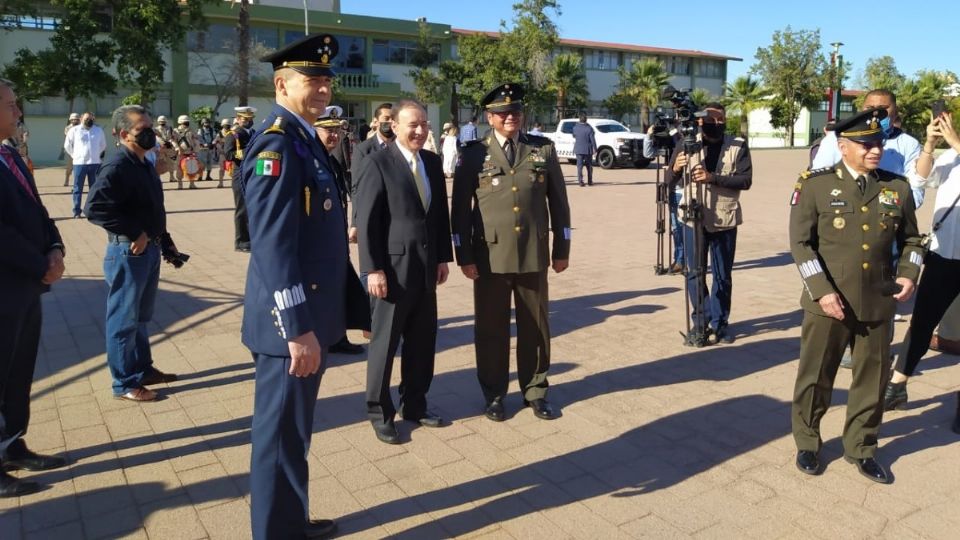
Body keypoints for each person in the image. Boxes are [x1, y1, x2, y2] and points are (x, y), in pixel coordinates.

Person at [242, 33, 346, 540]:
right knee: (278, 437)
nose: (324, 87)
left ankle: (289, 522)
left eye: (328, 78)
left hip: (307, 319)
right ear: (282, 84)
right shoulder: (279, 144)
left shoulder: (304, 138)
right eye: (313, 79)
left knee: (294, 436)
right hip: (289, 327)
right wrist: (299, 328)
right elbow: (273, 246)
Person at [788, 108, 924, 483]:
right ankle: (808, 441)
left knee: (873, 378)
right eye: (865, 144)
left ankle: (861, 446)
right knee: (816, 375)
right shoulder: (814, 184)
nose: (874, 150)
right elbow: (800, 244)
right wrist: (821, 292)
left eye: (878, 142)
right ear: (843, 146)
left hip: (878, 299)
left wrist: (909, 273)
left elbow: (913, 239)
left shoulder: (896, 187)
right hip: (828, 302)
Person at [451, 83, 571, 422]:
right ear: (490, 117)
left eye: (516, 111)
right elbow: (460, 211)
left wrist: (562, 248)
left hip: (533, 254)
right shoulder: (473, 153)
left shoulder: (542, 149)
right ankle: (493, 394)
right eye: (503, 113)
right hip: (489, 257)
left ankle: (535, 390)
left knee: (535, 326)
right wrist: (464, 256)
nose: (511, 117)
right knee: (492, 328)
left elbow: (560, 204)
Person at [355, 99, 453, 444]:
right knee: (384, 345)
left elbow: (439, 215)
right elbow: (367, 223)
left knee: (423, 343)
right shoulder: (377, 163)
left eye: (424, 124)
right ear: (393, 126)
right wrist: (372, 270)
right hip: (392, 272)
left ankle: (415, 403)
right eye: (412, 124)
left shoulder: (431, 160)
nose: (420, 130)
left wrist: (443, 257)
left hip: (425, 270)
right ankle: (379, 412)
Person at [814, 90, 923, 367]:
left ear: (894, 112)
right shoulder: (837, 138)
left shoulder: (908, 144)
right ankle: (846, 342)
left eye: (882, 109)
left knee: (883, 291)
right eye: (870, 107)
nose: (876, 112)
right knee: (845, 284)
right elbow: (819, 180)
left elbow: (915, 193)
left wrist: (898, 206)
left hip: (888, 227)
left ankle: (876, 347)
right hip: (844, 225)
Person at [85, 105, 182, 403]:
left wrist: (164, 242)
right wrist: (134, 231)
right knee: (123, 320)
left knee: (141, 317)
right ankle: (124, 383)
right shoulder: (117, 166)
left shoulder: (142, 163)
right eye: (143, 129)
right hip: (128, 251)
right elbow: (95, 208)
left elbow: (152, 208)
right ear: (123, 134)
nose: (150, 133)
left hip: (148, 250)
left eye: (151, 127)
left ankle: (143, 369)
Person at [0, 78, 68, 498]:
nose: (18, 112)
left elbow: (38, 210)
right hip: (7, 284)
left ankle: (12, 445)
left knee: (18, 370)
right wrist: (38, 262)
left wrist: (56, 247)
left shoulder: (9, 155)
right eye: (10, 105)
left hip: (27, 286)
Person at [884, 112, 960, 434]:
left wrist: (956, 141)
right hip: (944, 254)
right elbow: (921, 180)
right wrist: (930, 145)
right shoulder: (953, 156)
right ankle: (898, 385)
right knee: (922, 321)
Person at [666, 103, 752, 346]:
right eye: (708, 120)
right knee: (694, 274)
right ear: (699, 121)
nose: (713, 123)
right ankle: (701, 322)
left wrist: (712, 178)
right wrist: (675, 167)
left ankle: (720, 324)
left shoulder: (737, 144)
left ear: (725, 120)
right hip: (692, 219)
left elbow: (746, 180)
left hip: (724, 219)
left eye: (719, 119)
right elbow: (669, 181)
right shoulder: (686, 143)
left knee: (722, 275)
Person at [314, 106, 366, 356]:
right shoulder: (310, 161)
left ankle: (337, 337)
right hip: (318, 245)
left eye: (337, 131)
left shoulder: (330, 161)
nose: (334, 136)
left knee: (338, 289)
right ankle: (323, 338)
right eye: (327, 131)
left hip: (335, 242)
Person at [349, 102, 394, 243]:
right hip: (374, 215)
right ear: (375, 122)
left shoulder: (403, 148)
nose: (390, 122)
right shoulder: (363, 150)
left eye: (393, 118)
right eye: (386, 118)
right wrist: (355, 223)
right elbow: (357, 188)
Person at [645, 123, 683, 274]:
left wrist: (676, 135)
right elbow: (648, 153)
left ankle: (687, 260)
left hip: (687, 187)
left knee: (686, 227)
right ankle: (680, 260)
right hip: (672, 187)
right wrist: (649, 136)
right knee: (676, 228)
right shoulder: (668, 136)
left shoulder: (686, 135)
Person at [224, 106, 257, 252]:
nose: (248, 121)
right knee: (242, 208)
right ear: (237, 119)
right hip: (240, 173)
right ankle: (242, 241)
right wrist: (248, 152)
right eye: (245, 119)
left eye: (250, 119)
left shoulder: (255, 133)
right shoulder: (233, 134)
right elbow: (229, 154)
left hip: (253, 173)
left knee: (253, 207)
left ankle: (252, 238)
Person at [63, 111, 106, 218]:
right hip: (79, 163)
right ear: (81, 118)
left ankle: (92, 211)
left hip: (95, 163)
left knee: (94, 188)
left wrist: (96, 154)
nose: (89, 120)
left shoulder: (98, 130)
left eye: (91, 119)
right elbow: (67, 145)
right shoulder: (74, 130)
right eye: (87, 118)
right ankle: (77, 211)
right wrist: (75, 155)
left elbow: (103, 145)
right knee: (78, 188)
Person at [174, 114, 201, 189]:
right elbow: (173, 141)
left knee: (191, 168)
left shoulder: (191, 130)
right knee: (179, 168)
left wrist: (196, 150)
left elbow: (196, 140)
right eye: (185, 122)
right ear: (180, 123)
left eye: (187, 122)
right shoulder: (175, 131)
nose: (186, 123)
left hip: (190, 152)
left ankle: (192, 184)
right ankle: (180, 185)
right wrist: (177, 148)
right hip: (180, 153)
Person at [572, 113, 597, 187]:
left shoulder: (575, 128)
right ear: (586, 120)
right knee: (589, 166)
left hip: (578, 149)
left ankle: (580, 181)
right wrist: (595, 149)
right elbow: (592, 140)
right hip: (587, 150)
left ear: (579, 120)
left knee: (579, 166)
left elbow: (574, 135)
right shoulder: (589, 128)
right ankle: (589, 181)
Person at [154, 115, 178, 183]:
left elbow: (173, 137)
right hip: (161, 148)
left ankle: (172, 177)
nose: (162, 123)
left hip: (169, 148)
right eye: (161, 122)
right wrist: (163, 143)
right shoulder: (155, 129)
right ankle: (158, 178)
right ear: (158, 122)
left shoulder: (170, 128)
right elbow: (156, 138)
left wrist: (172, 144)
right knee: (160, 162)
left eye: (163, 122)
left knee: (171, 162)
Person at [62, 112, 80, 186]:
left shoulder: (81, 127)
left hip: (79, 149)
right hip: (71, 150)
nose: (74, 121)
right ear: (71, 120)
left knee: (78, 167)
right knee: (69, 166)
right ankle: (67, 180)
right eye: (73, 119)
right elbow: (68, 139)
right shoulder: (68, 128)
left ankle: (76, 182)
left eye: (76, 119)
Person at [196, 117, 217, 182]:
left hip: (210, 149)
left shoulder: (212, 130)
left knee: (210, 162)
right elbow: (199, 138)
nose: (207, 124)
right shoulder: (200, 130)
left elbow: (215, 137)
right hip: (203, 149)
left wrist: (213, 143)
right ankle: (200, 176)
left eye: (208, 122)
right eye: (205, 123)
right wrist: (205, 144)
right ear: (202, 123)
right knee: (202, 163)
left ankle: (208, 176)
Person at [216, 118, 232, 188]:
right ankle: (220, 183)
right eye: (225, 125)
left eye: (228, 125)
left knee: (232, 168)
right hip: (222, 153)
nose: (227, 127)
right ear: (222, 125)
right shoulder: (219, 134)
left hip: (231, 153)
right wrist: (220, 149)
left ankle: (233, 183)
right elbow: (216, 142)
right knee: (221, 169)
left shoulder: (233, 133)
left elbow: (237, 142)